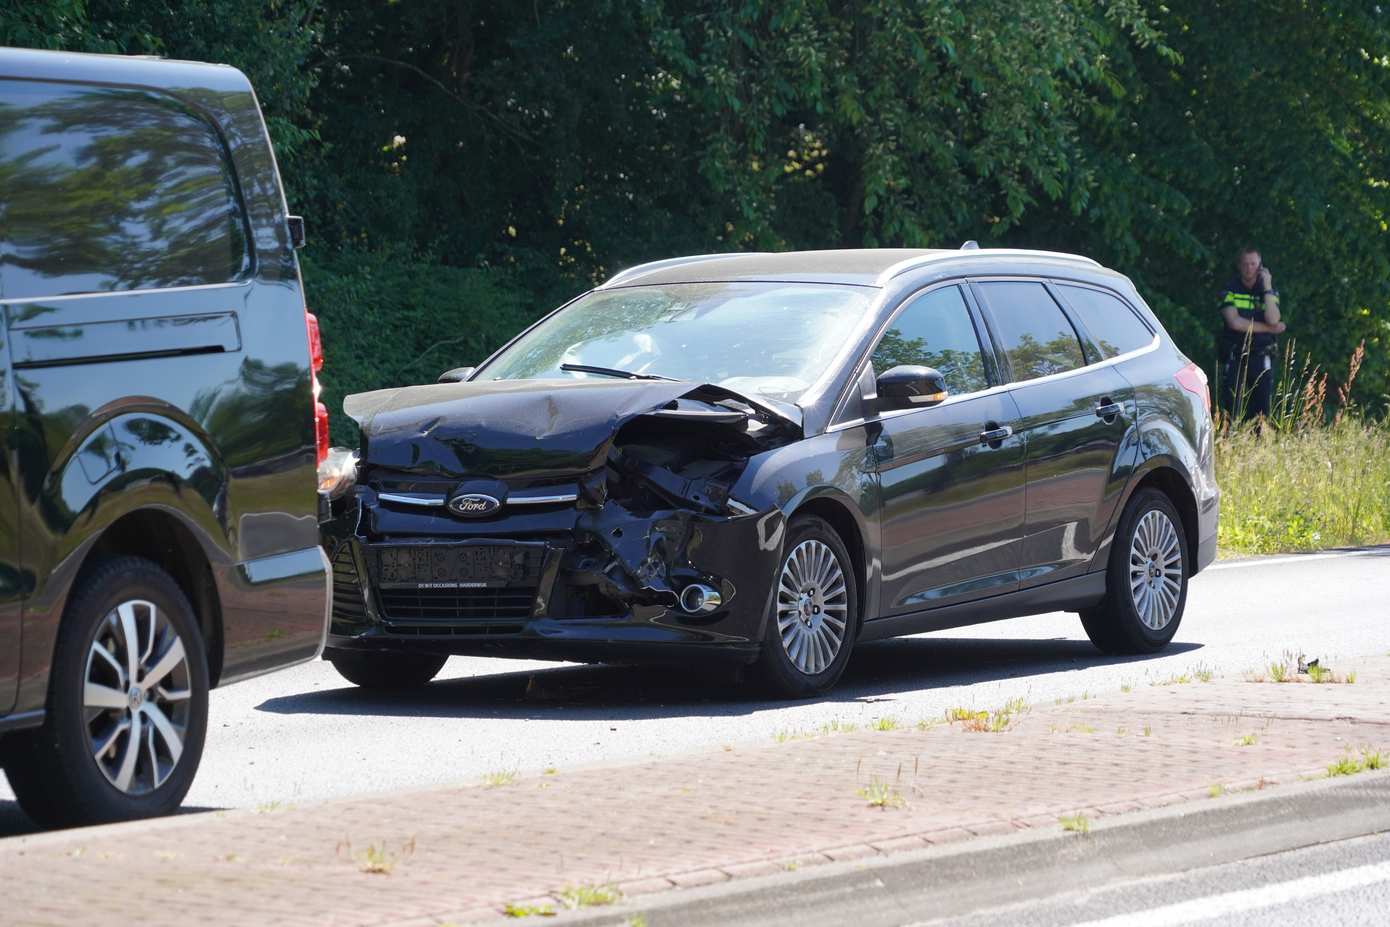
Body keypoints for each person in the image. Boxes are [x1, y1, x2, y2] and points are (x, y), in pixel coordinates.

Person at [1218, 246, 1286, 421]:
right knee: (1231, 410)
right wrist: (1270, 329)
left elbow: (1273, 318)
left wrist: (1268, 287)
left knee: (1262, 412)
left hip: (1261, 355)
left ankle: (1259, 445)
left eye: (1253, 264)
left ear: (1260, 266)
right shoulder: (1229, 289)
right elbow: (1234, 322)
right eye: (1245, 264)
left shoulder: (1268, 292)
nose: (1249, 268)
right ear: (1239, 266)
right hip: (1235, 354)